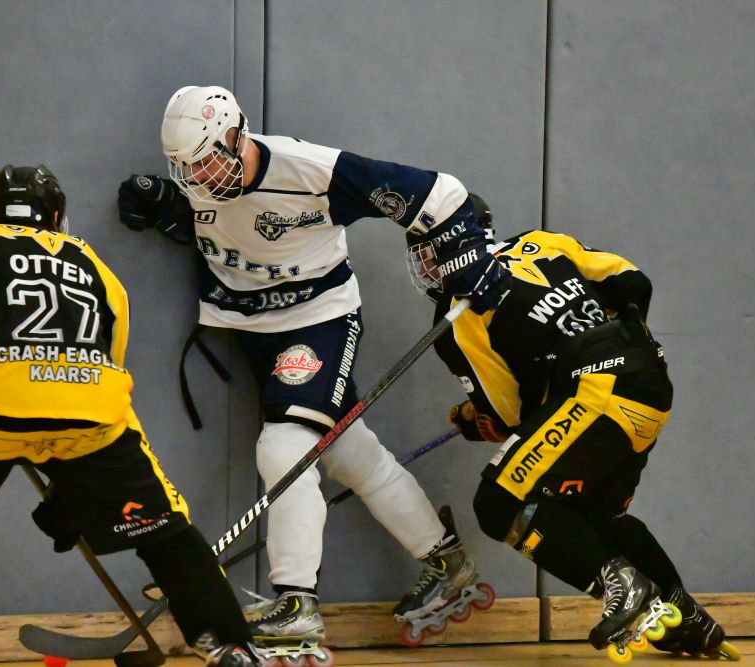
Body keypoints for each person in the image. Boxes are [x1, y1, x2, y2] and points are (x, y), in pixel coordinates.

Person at [116, 85, 511, 657]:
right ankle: (444, 560)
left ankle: (296, 602)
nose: (199, 176)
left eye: (206, 158)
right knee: (352, 453)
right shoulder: (196, 184)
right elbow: (209, 224)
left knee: (285, 447)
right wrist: (161, 208)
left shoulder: (312, 170)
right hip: (251, 328)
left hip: (318, 320)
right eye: (184, 168)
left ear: (236, 133)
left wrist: (467, 258)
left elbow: (440, 192)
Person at [0, 165, 262, 667]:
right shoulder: (92, 261)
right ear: (57, 214)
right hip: (92, 415)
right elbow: (113, 346)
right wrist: (81, 488)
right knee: (167, 528)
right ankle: (229, 645)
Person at [412, 194, 740, 662]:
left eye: (430, 251)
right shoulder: (539, 243)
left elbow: (508, 419)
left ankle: (623, 587)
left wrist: (472, 421)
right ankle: (684, 616)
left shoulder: (457, 315)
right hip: (649, 377)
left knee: (499, 502)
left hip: (594, 393)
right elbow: (633, 280)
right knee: (593, 511)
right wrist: (600, 341)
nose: (428, 266)